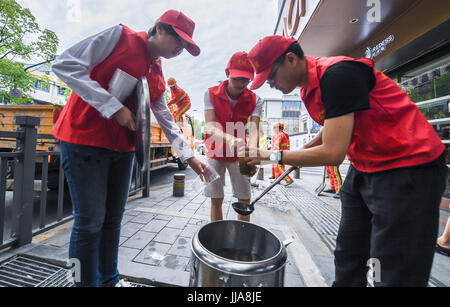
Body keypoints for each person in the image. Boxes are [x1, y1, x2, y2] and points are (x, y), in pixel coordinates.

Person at [245, 35, 447, 286]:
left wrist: (269, 155)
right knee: (348, 254)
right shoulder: (310, 86)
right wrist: (305, 150)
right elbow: (333, 124)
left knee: (395, 268)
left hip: (409, 166)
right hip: (366, 165)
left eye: (271, 76)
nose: (271, 84)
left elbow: (332, 153)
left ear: (291, 59)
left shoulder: (337, 74)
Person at [51, 10, 205, 287]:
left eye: (185, 46)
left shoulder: (157, 68)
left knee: (112, 220)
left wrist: (188, 155)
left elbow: (163, 114)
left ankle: (110, 280)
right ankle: (80, 283)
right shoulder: (119, 37)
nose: (180, 49)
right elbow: (65, 64)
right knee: (89, 223)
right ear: (159, 29)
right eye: (178, 41)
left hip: (122, 148)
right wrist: (114, 107)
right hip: (83, 139)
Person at [204, 51, 262, 222]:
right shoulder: (210, 94)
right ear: (227, 73)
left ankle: (242, 236)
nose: (242, 83)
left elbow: (254, 130)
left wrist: (251, 154)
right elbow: (210, 126)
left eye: (246, 79)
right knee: (216, 198)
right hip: (215, 152)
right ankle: (216, 234)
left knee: (245, 198)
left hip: (241, 154)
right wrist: (229, 139)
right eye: (237, 78)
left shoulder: (256, 100)